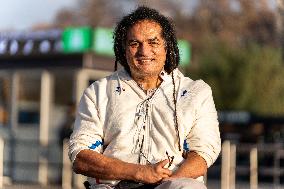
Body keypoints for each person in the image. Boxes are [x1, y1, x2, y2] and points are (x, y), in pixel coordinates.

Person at [69, 6, 221, 189]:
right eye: (134, 44)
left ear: (167, 46)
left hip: (172, 184)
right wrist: (139, 172)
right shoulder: (98, 92)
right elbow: (80, 157)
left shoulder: (196, 92)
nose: (144, 51)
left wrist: (164, 182)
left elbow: (203, 154)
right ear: (124, 49)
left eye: (153, 42)